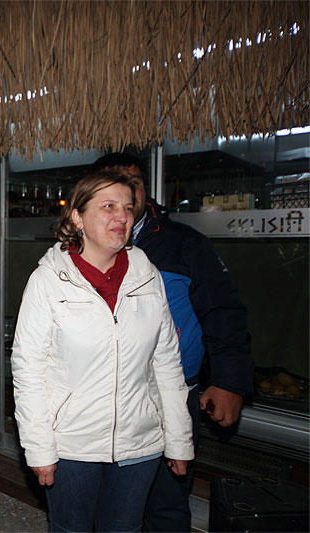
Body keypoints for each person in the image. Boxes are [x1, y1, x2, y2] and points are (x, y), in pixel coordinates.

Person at [12, 170, 194, 532]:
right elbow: (28, 370)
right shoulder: (48, 280)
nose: (122, 217)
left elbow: (167, 366)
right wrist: (40, 449)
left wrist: (178, 440)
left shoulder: (147, 275)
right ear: (77, 217)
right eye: (108, 206)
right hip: (72, 447)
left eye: (128, 207)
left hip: (140, 444)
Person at [92, 153, 253, 532]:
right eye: (114, 180)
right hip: (99, 395)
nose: (127, 188)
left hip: (171, 395)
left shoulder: (184, 244)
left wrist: (229, 380)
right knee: (104, 504)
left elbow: (224, 312)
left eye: (134, 179)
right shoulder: (79, 246)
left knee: (164, 504)